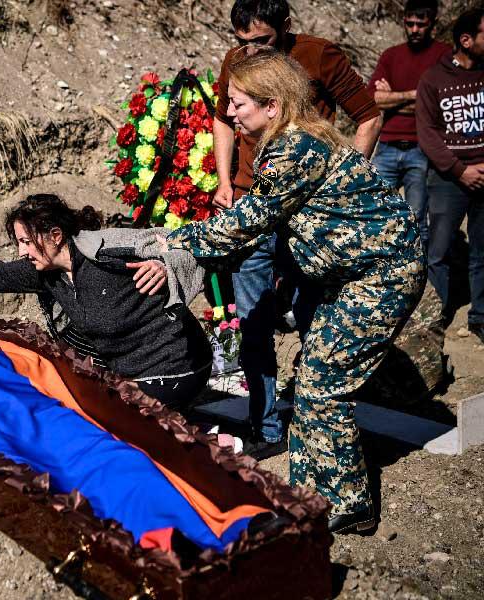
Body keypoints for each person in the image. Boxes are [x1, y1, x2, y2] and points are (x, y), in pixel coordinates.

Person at [165, 49, 425, 533]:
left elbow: (246, 222)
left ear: (273, 106)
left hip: (380, 275)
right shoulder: (290, 140)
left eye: (238, 103)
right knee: (312, 384)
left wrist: (169, 242)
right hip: (352, 275)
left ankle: (347, 504)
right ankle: (310, 497)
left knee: (323, 385)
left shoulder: (295, 150)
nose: (230, 112)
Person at [212, 0, 383, 458]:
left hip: (307, 214)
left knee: (313, 318)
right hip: (253, 203)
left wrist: (342, 181)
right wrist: (225, 181)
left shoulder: (318, 55)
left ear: (285, 27)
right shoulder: (236, 61)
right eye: (242, 42)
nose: (251, 50)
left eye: (262, 41)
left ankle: (319, 421)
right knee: (252, 321)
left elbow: (368, 116)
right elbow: (222, 120)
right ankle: (266, 427)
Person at [0, 194, 214, 408]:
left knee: (107, 421)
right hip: (130, 372)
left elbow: (186, 243)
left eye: (26, 242)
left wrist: (165, 265)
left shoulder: (105, 251)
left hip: (178, 368)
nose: (22, 252)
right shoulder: (44, 272)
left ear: (55, 236)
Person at [416, 8, 484, 342]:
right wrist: (460, 170)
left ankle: (480, 316)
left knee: (482, 252)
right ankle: (436, 317)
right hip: (447, 180)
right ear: (466, 40)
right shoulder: (433, 79)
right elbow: (427, 133)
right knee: (438, 253)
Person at [369, 0, 451, 249]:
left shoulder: (444, 55)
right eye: (410, 23)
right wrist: (415, 95)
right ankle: (380, 261)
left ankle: (418, 265)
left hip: (421, 148)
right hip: (386, 146)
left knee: (416, 217)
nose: (414, 29)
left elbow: (441, 106)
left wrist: (393, 98)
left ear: (433, 23)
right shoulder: (391, 55)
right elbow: (374, 99)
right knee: (375, 211)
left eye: (421, 24)